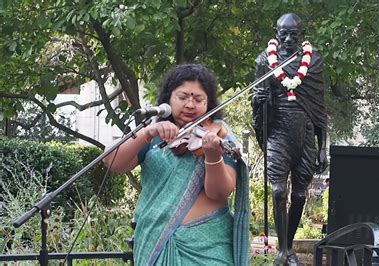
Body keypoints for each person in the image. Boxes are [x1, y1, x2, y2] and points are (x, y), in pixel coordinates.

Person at [103, 64, 249, 265]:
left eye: (198, 100)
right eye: (182, 98)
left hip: (208, 247)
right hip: (156, 241)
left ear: (209, 104)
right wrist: (147, 132)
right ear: (168, 99)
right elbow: (112, 162)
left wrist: (213, 155)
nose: (190, 105)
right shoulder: (153, 133)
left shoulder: (217, 134)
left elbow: (220, 193)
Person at [251, 13, 328, 265]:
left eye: (293, 34)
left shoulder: (313, 62)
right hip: (278, 131)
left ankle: (290, 247)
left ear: (301, 35)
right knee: (278, 191)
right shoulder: (264, 61)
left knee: (299, 196)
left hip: (305, 134)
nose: (287, 38)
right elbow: (257, 99)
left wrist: (322, 147)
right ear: (276, 33)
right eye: (283, 33)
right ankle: (282, 251)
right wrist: (259, 101)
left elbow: (319, 106)